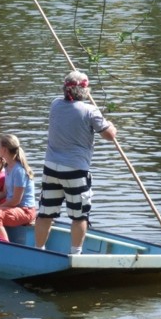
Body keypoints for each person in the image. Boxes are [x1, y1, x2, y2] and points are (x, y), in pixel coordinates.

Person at [34, 70, 117, 255]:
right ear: (85, 91)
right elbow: (109, 135)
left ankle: (38, 250)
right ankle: (76, 253)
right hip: (75, 170)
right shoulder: (90, 111)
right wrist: (109, 124)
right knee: (80, 215)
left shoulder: (55, 104)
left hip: (51, 168)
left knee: (46, 212)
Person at [0, 134, 36, 242]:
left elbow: (16, 201)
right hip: (13, 207)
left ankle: (4, 242)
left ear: (4, 149)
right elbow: (4, 194)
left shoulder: (19, 170)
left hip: (25, 210)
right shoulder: (7, 167)